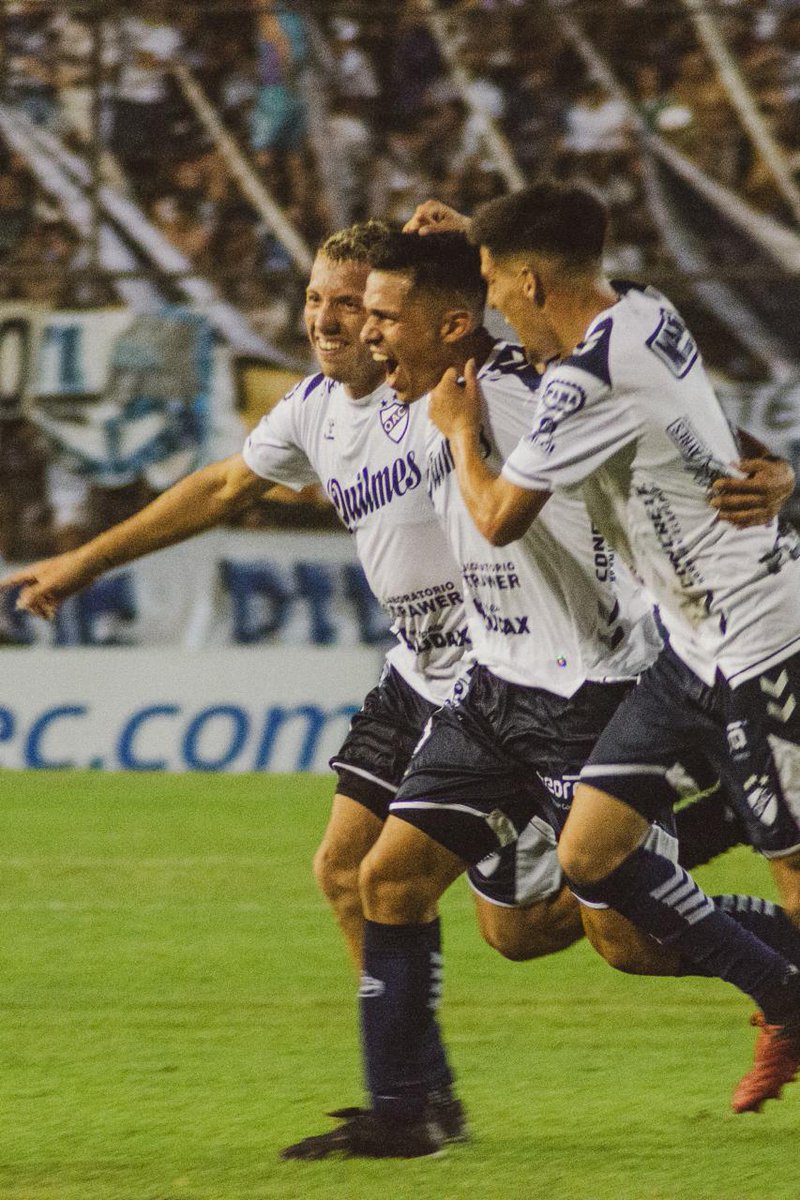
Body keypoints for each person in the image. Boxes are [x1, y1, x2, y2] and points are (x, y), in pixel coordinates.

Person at [279, 230, 800, 1161]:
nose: (368, 336)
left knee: (628, 942)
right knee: (396, 885)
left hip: (590, 690)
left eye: (384, 320)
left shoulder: (526, 393)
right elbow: (473, 255)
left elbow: (670, 418)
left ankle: (779, 959)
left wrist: (773, 470)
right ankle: (408, 1116)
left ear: (451, 328)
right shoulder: (424, 389)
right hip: (492, 689)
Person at [413, 184, 800, 1117]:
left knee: (793, 869)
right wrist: (475, 236)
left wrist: (461, 434)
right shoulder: (645, 310)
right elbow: (707, 424)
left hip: (761, 642)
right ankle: (786, 998)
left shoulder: (586, 381)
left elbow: (501, 517)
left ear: (533, 280)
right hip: (687, 647)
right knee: (590, 854)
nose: (495, 303)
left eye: (499, 284)